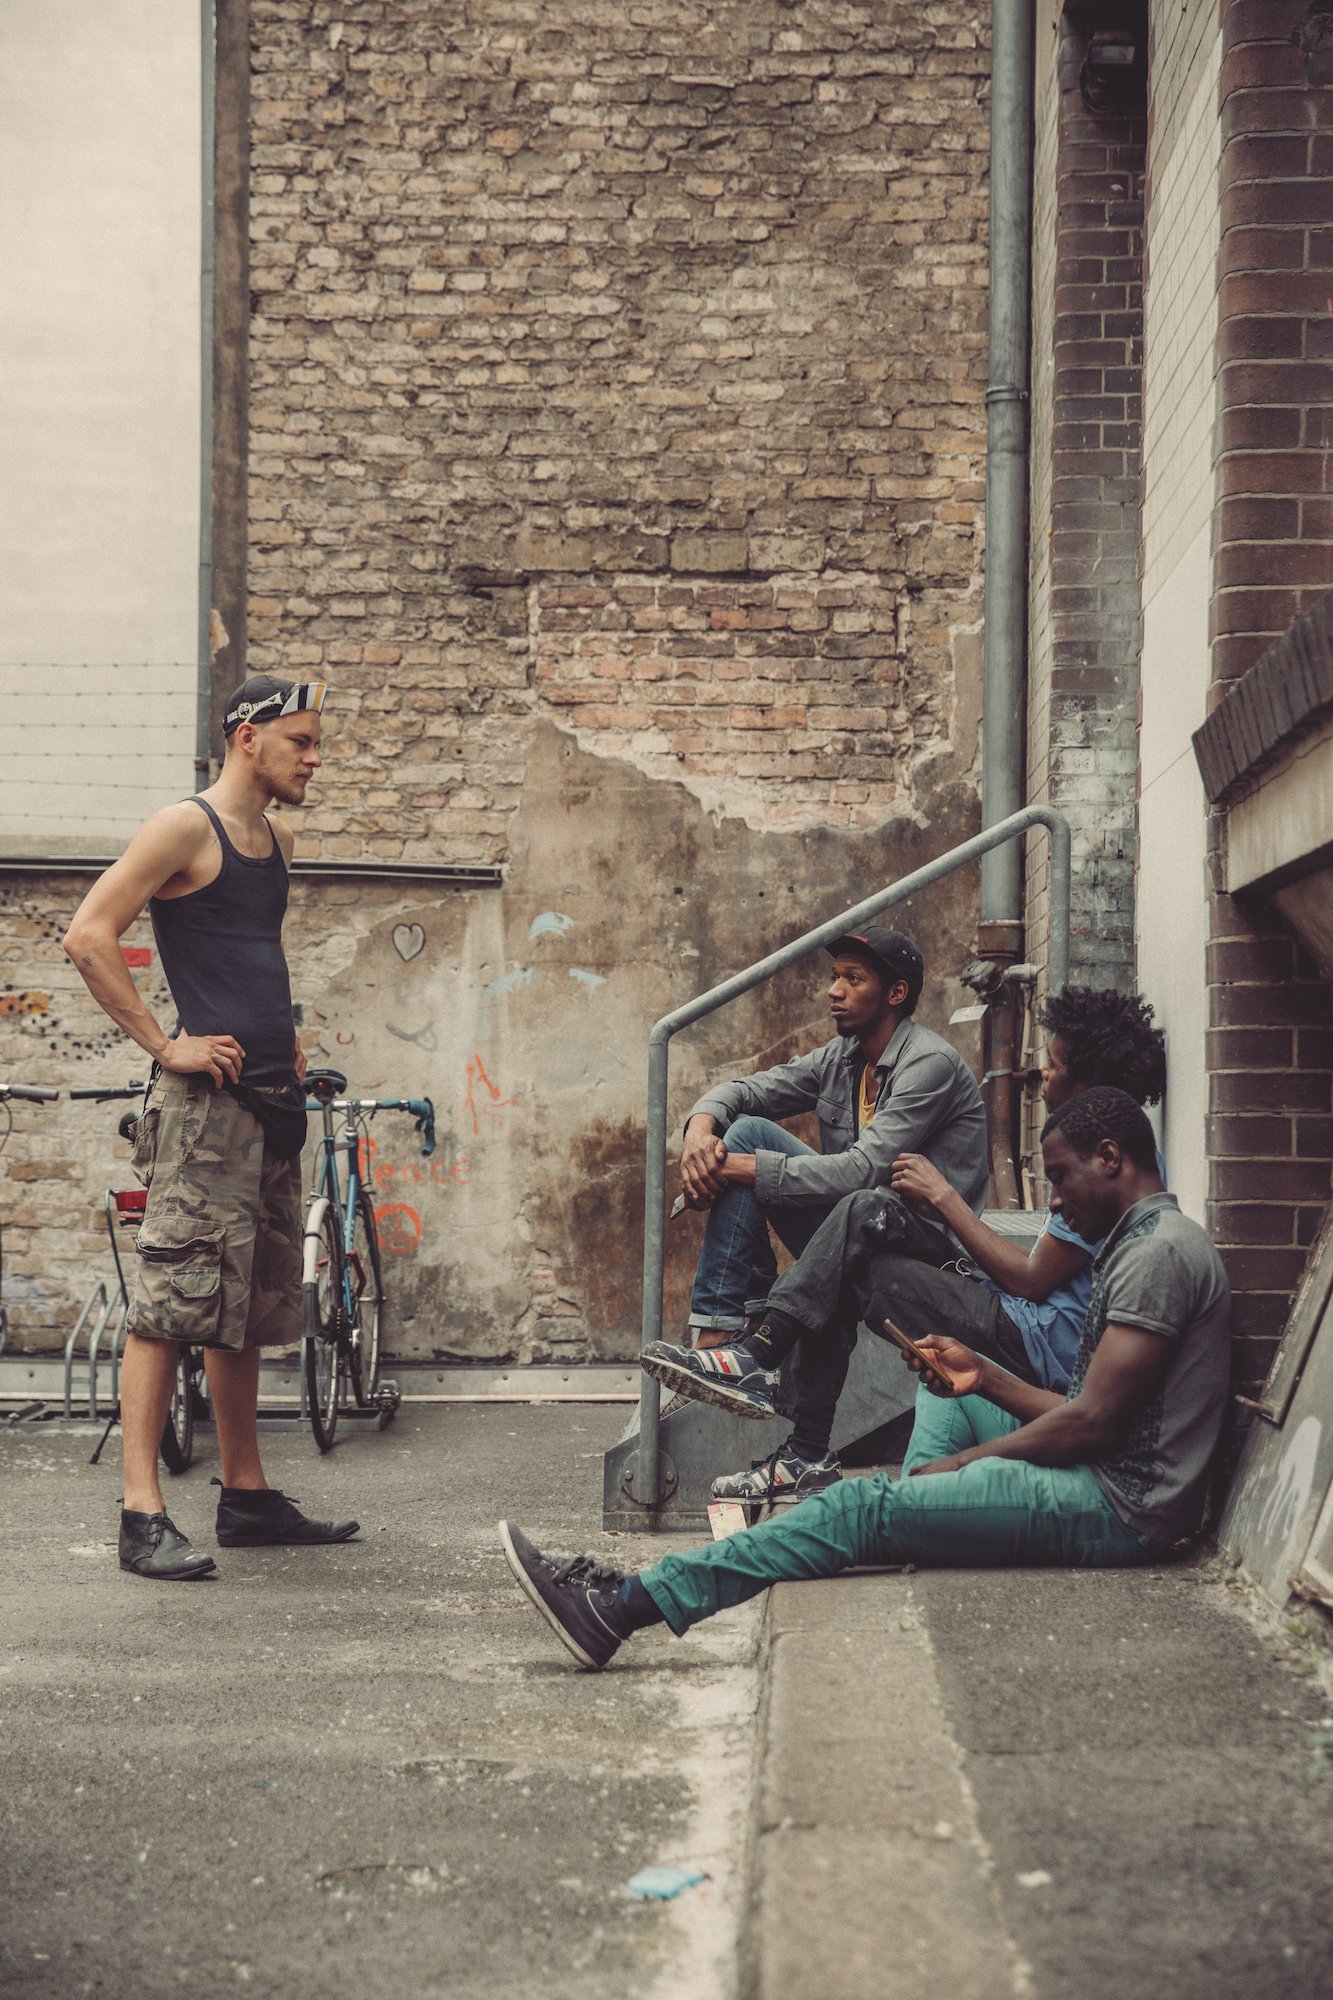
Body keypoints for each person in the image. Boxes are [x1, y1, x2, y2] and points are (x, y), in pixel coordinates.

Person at [499, 1087, 1231, 1671]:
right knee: (936, 1391)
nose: (1058, 1200)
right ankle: (929, 1517)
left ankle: (622, 1607)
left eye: (1062, 1178)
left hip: (1118, 1510)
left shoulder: (1158, 1256)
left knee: (853, 1511)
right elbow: (1083, 1409)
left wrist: (962, 1464)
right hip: (1098, 1470)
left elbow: (1091, 1425)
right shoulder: (1141, 1242)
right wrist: (980, 1379)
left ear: (1109, 1157)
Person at [643, 985, 1168, 1500]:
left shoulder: (1104, 1168)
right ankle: (799, 1444)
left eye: (1054, 1064)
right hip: (1011, 1314)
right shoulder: (1102, 1152)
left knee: (862, 1211)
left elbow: (1030, 1281)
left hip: (1028, 1340)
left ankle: (762, 1361)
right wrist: (706, 1129)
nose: (1044, 1072)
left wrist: (943, 1196)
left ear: (1085, 1086)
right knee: (856, 1229)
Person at [63, 674, 359, 1580]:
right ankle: (141, 1513)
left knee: (245, 1306)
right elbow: (88, 934)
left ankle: (247, 1495)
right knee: (171, 1305)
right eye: (301, 742)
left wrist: (292, 1044)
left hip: (271, 1103)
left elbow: (253, 958)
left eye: (316, 743)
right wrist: (166, 1044)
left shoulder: (277, 838)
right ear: (246, 737)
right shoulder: (182, 827)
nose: (315, 758)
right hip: (206, 1115)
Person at [675, 922, 987, 1353]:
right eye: (834, 977)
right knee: (746, 1131)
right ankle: (739, 1327)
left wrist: (727, 1167)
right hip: (853, 1232)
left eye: (852, 979)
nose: (833, 991)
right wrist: (699, 1133)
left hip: (922, 1256)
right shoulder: (843, 1056)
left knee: (747, 1154)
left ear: (896, 993)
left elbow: (860, 1174)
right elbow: (749, 1090)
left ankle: (724, 1337)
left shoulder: (929, 1063)